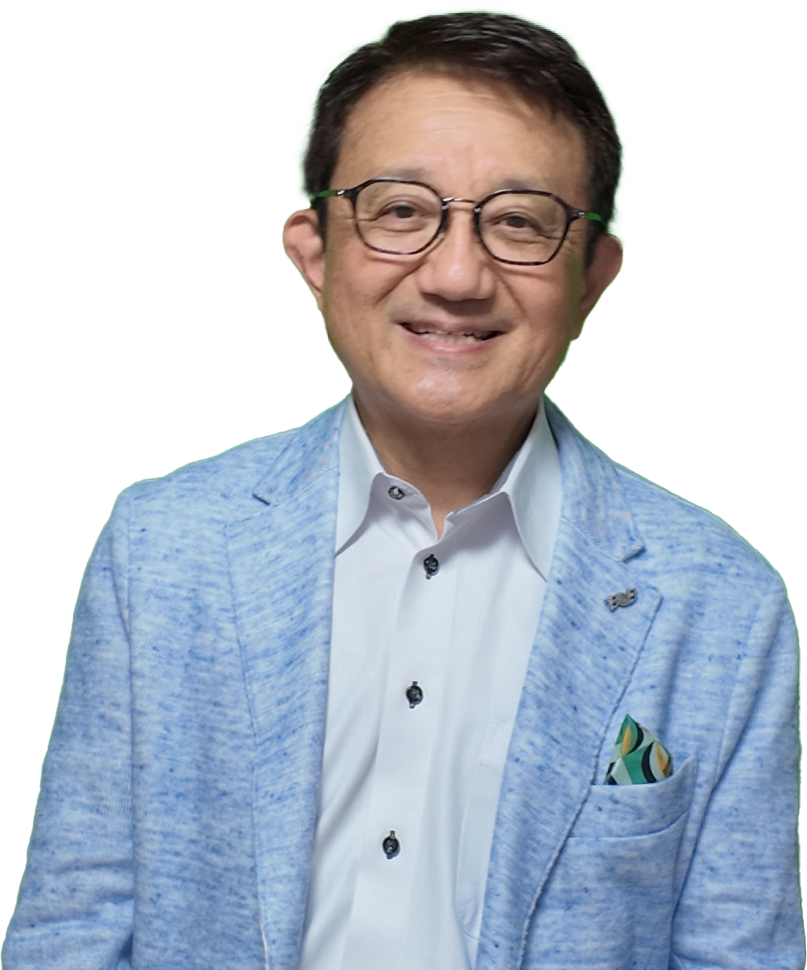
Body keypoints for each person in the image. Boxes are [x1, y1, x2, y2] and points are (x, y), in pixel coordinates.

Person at [3, 11, 802, 970]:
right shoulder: (163, 548)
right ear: (314, 254)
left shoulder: (721, 604)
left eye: (519, 221)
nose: (457, 274)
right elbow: (72, 933)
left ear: (590, 278)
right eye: (399, 211)